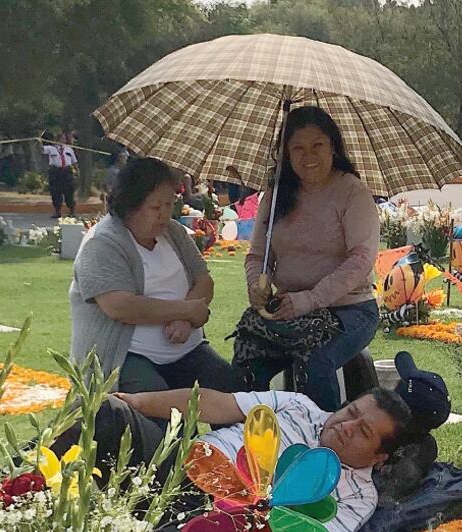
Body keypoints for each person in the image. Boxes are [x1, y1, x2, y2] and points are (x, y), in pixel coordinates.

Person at [51, 350, 450, 532]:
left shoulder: (358, 496)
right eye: (350, 412)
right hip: (182, 465)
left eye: (361, 431)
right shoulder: (300, 406)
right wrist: (135, 403)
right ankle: (16, 491)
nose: (344, 426)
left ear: (379, 457)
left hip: (218, 516)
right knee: (109, 413)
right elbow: (214, 404)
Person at [69, 156, 244, 395]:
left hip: (187, 352)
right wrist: (186, 311)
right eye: (155, 207)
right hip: (127, 359)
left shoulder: (174, 232)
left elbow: (203, 280)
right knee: (159, 405)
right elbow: (120, 306)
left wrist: (185, 320)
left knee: (232, 389)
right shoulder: (102, 243)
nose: (163, 214)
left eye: (169, 204)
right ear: (130, 205)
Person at [244, 106, 380, 411]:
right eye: (298, 148)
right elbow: (257, 255)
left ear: (333, 146)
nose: (309, 156)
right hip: (289, 310)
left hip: (351, 310)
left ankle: (322, 445)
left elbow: (360, 260)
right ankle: (245, 444)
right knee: (246, 358)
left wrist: (309, 299)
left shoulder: (352, 193)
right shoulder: (276, 195)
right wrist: (257, 284)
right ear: (286, 154)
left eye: (317, 145)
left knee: (314, 358)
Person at [42, 131, 78, 218]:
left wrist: (77, 171)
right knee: (55, 192)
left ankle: (72, 211)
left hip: (66, 171)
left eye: (64, 139)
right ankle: (57, 211)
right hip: (55, 172)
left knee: (69, 191)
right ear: (57, 140)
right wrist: (39, 141)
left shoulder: (69, 149)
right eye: (61, 139)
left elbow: (74, 161)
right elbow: (41, 150)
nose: (63, 141)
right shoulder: (51, 148)